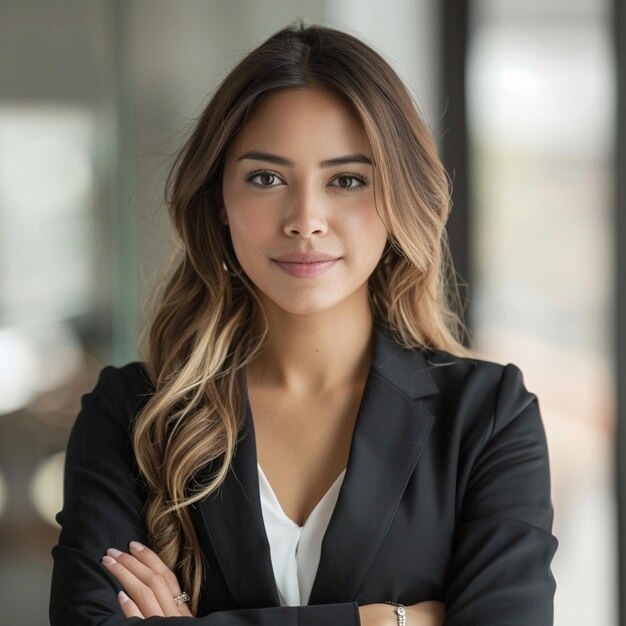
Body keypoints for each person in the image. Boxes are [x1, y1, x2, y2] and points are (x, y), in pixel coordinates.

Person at [49, 23, 557, 625]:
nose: (306, 219)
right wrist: (387, 620)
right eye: (266, 178)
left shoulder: (489, 417)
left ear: (398, 198)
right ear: (219, 200)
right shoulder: (132, 415)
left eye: (347, 180)